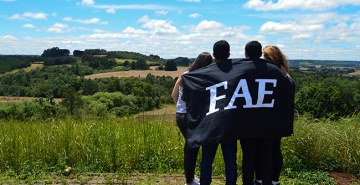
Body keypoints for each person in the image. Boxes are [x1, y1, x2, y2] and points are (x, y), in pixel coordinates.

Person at [171, 52, 213, 185]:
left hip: (180, 115)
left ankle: (189, 179)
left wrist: (180, 108)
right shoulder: (204, 77)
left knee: (190, 147)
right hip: (194, 116)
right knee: (192, 148)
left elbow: (173, 95)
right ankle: (190, 181)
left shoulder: (185, 75)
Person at [199, 40, 237, 185]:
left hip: (210, 122)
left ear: (213, 54)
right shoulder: (237, 72)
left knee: (207, 159)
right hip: (229, 122)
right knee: (230, 161)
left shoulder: (205, 73)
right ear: (229, 54)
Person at [253, 45, 291, 185]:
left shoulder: (268, 70)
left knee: (261, 149)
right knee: (275, 148)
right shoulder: (284, 72)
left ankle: (261, 178)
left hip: (263, 115)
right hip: (279, 117)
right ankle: (274, 179)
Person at [239, 41, 274, 185]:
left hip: (245, 122)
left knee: (248, 156)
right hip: (267, 122)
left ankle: (248, 182)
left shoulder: (239, 71)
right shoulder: (273, 71)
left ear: (245, 54)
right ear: (261, 53)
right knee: (265, 156)